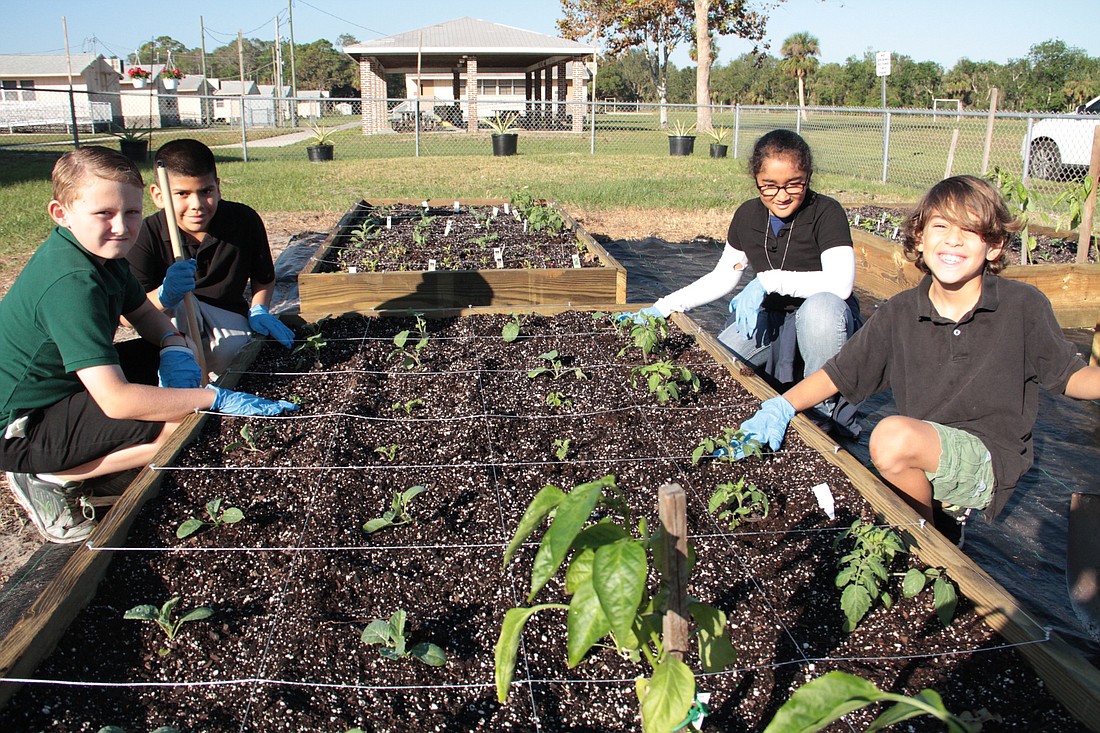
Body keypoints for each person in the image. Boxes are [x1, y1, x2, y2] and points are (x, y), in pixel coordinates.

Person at [733, 175, 1100, 540]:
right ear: (920, 239)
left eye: (969, 231)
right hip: (927, 448)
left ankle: (927, 544)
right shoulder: (902, 311)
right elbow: (840, 373)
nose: (953, 239)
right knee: (894, 452)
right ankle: (934, 532)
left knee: (891, 439)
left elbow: (1070, 376)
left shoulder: (1022, 305)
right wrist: (780, 406)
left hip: (990, 456)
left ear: (994, 246)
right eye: (941, 226)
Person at [0, 146, 298, 544]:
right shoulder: (72, 284)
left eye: (131, 213)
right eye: (104, 214)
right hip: (22, 425)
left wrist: (174, 344)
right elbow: (117, 401)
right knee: (181, 421)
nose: (121, 226)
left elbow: (143, 315)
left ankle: (95, 457)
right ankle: (48, 476)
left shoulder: (101, 256)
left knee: (181, 368)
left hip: (65, 390)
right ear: (61, 213)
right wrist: (212, 399)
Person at [626, 129, 862, 436]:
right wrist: (663, 306)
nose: (782, 195)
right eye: (769, 186)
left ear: (808, 176)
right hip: (773, 317)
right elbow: (724, 276)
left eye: (794, 184)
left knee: (821, 310)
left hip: (825, 322)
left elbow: (840, 284)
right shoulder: (748, 216)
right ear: (756, 180)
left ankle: (823, 413)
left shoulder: (825, 212)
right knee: (721, 368)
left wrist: (769, 281)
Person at [127, 138, 295, 379]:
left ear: (217, 187)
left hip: (227, 318)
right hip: (169, 324)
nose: (196, 205)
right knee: (183, 323)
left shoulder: (243, 221)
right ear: (158, 195)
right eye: (182, 194)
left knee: (237, 353)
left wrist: (259, 309)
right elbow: (127, 315)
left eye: (206, 191)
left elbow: (264, 279)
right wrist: (165, 294)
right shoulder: (144, 236)